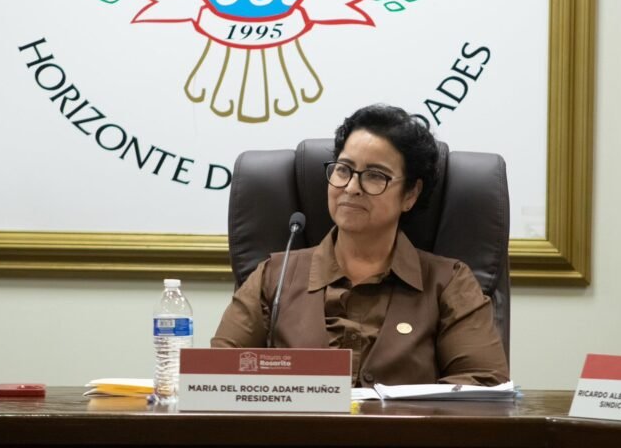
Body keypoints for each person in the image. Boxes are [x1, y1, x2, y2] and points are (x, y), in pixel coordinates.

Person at [212, 104, 509, 387]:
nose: (351, 188)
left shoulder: (448, 283)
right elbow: (216, 377)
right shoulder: (273, 276)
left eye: (375, 176)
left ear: (410, 194)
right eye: (343, 169)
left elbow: (484, 385)